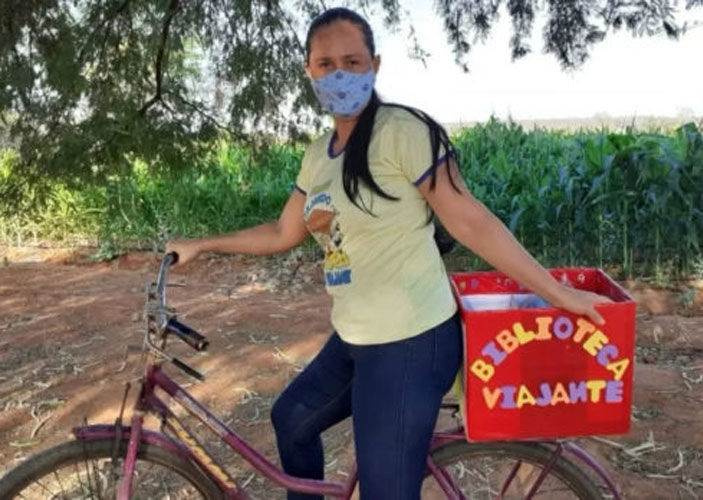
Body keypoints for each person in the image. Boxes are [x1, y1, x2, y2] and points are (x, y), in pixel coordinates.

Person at [166, 7, 611, 499]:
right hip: (357, 338)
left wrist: (556, 293)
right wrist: (203, 244)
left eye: (353, 62)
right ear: (309, 71)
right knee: (292, 419)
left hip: (411, 343)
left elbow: (469, 220)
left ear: (375, 65)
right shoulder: (319, 156)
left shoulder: (402, 132)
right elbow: (280, 231)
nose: (340, 74)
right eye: (326, 63)